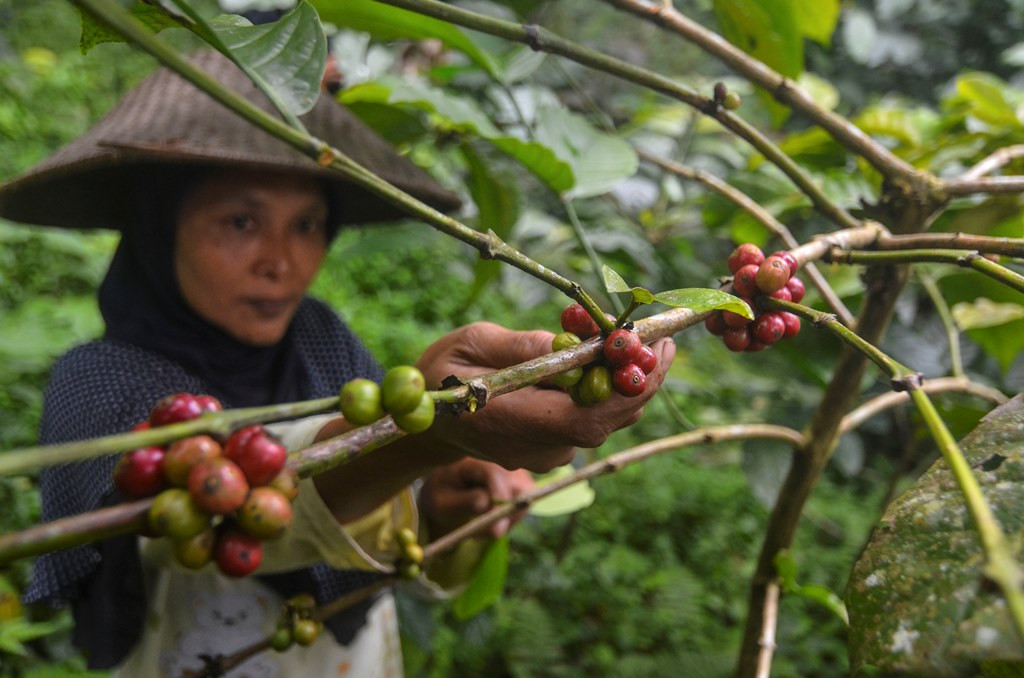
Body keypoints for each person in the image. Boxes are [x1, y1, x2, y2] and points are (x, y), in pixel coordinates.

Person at [0, 50, 675, 676]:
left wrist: (440, 498)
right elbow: (197, 519)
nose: (281, 261)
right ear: (158, 226)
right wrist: (425, 434)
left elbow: (378, 514)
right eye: (241, 222)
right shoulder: (97, 381)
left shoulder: (319, 337)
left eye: (306, 224)